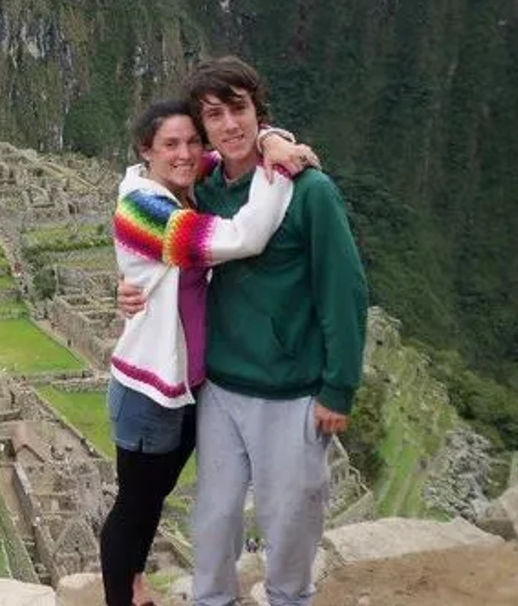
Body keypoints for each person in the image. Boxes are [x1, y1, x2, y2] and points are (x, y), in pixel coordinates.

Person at [123, 57, 367, 606]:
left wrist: (338, 387)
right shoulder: (202, 189)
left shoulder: (310, 192)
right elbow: (152, 227)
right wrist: (128, 285)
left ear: (258, 111)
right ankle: (211, 599)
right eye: (215, 114)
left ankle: (288, 598)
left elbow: (344, 291)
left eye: (240, 109)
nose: (230, 124)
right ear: (203, 127)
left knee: (289, 517)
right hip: (221, 387)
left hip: (290, 389)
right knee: (213, 514)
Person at [100, 99, 312, 606]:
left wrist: (269, 138)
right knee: (135, 505)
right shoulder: (144, 210)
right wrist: (280, 170)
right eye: (171, 144)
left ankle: (135, 584)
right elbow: (245, 236)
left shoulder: (184, 185)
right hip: (147, 393)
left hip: (188, 387)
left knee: (152, 499)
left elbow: (233, 148)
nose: (187, 153)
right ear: (145, 152)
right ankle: (122, 594)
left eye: (192, 141)